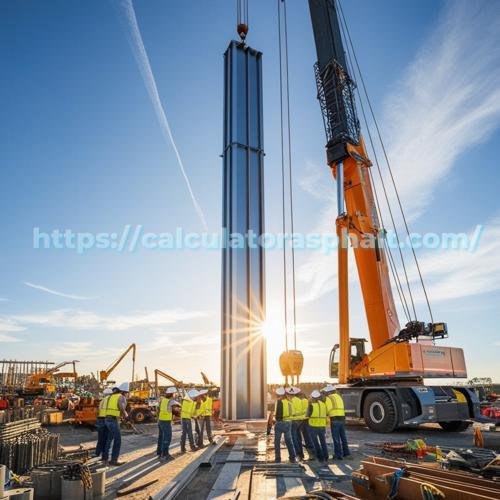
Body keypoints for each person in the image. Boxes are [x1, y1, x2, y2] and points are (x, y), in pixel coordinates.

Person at [103, 382, 129, 466]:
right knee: (118, 440)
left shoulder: (110, 396)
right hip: (113, 420)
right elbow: (121, 409)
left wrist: (120, 417)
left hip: (107, 419)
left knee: (109, 438)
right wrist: (126, 416)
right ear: (124, 392)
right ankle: (114, 460)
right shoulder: (121, 397)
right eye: (127, 393)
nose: (127, 394)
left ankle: (105, 458)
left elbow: (113, 408)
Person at [322, 384, 350, 460]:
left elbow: (327, 409)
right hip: (342, 418)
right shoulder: (339, 397)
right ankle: (346, 453)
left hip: (334, 419)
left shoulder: (328, 398)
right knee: (343, 437)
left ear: (328, 392)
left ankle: (338, 455)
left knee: (336, 438)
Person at [273, 387, 296, 463]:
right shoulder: (289, 402)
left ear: (279, 394)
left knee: (277, 441)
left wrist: (276, 421)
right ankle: (292, 457)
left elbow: (278, 414)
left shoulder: (279, 402)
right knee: (289, 441)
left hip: (280, 422)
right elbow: (293, 412)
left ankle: (278, 458)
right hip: (289, 423)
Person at [157, 387, 180, 461]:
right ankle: (165, 455)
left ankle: (159, 453)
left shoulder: (162, 400)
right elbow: (176, 409)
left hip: (160, 420)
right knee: (167, 437)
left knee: (161, 437)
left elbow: (158, 409)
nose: (175, 395)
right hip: (166, 421)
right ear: (172, 394)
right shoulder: (171, 401)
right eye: (174, 394)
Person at [307, 390, 328, 463]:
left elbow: (307, 415)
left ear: (312, 397)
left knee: (315, 443)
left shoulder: (311, 405)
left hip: (313, 426)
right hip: (322, 426)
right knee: (323, 442)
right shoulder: (323, 404)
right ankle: (326, 457)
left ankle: (320, 458)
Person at [287, 387, 305, 461]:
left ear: (289, 394)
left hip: (294, 420)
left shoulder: (290, 401)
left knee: (293, 438)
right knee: (298, 437)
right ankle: (301, 454)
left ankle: (297, 453)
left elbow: (291, 412)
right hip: (300, 420)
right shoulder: (299, 400)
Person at [180, 389, 199, 453]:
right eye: (196, 396)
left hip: (183, 418)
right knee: (190, 432)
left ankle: (182, 448)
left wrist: (194, 415)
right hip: (187, 418)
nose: (197, 397)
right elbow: (190, 412)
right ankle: (192, 446)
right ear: (193, 396)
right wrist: (193, 416)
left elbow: (190, 411)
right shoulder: (191, 402)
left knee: (184, 433)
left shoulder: (186, 400)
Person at [95, 388, 112, 459]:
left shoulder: (102, 401)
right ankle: (105, 456)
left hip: (100, 420)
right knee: (107, 439)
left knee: (100, 438)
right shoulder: (110, 400)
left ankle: (97, 453)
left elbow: (99, 410)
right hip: (107, 419)